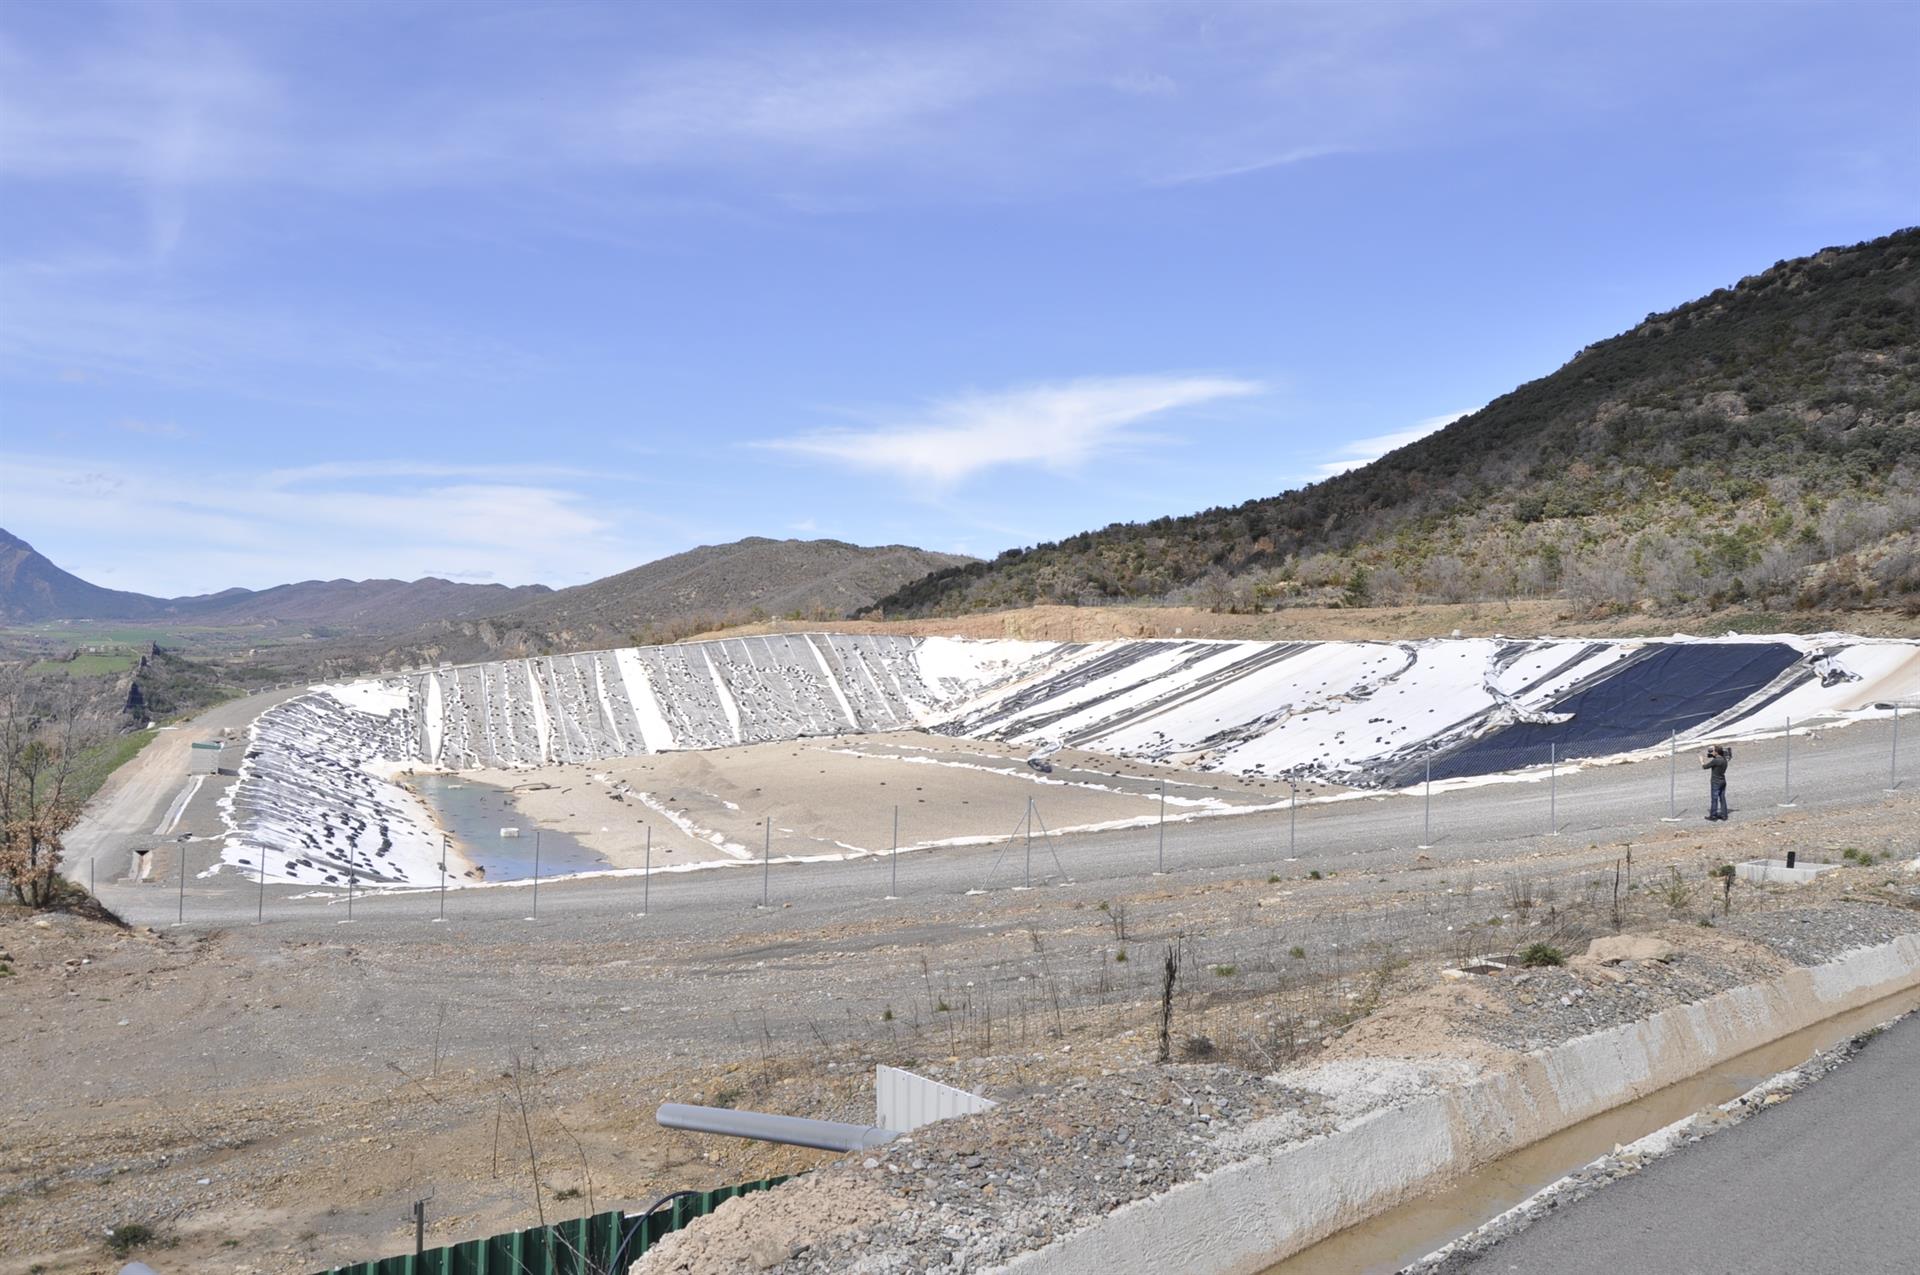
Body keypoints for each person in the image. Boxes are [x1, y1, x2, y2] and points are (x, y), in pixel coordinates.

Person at [1701, 744, 1731, 821]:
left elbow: (1705, 767)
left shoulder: (1716, 760)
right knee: (1722, 798)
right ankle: (1724, 815)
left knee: (1714, 799)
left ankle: (1713, 816)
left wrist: (1701, 761)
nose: (1712, 752)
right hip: (1723, 780)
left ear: (1716, 752)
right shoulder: (1724, 760)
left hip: (1715, 782)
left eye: (1713, 751)